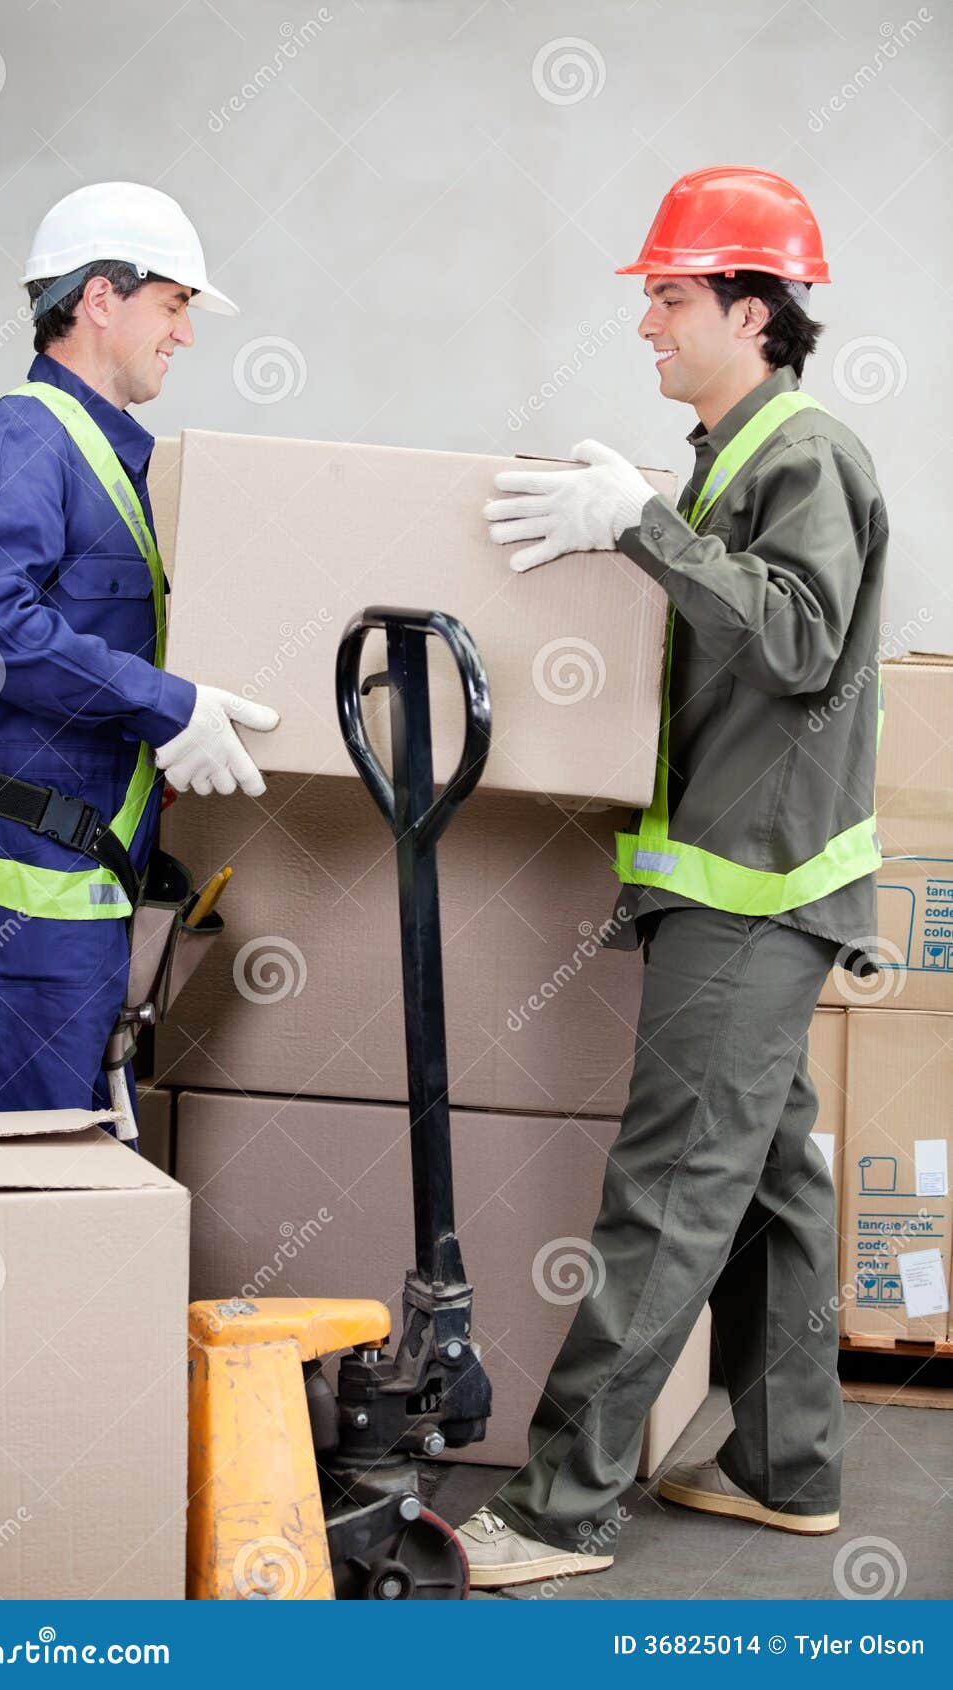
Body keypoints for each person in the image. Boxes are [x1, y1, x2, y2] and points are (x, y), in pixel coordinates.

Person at [458, 166, 888, 1586]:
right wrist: (648, 509)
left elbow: (797, 642)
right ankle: (781, 1466)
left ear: (749, 308)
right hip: (739, 878)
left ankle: (553, 1505)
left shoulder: (800, 451)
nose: (646, 320)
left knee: (666, 1190)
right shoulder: (731, 454)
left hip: (753, 889)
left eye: (669, 294)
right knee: (765, 1183)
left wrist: (635, 525)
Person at [0, 181, 278, 1118]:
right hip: (26, 905)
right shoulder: (27, 439)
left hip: (78, 892)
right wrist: (171, 705)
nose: (184, 335)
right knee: (34, 1195)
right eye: (173, 305)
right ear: (100, 298)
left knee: (72, 1193)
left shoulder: (101, 454)